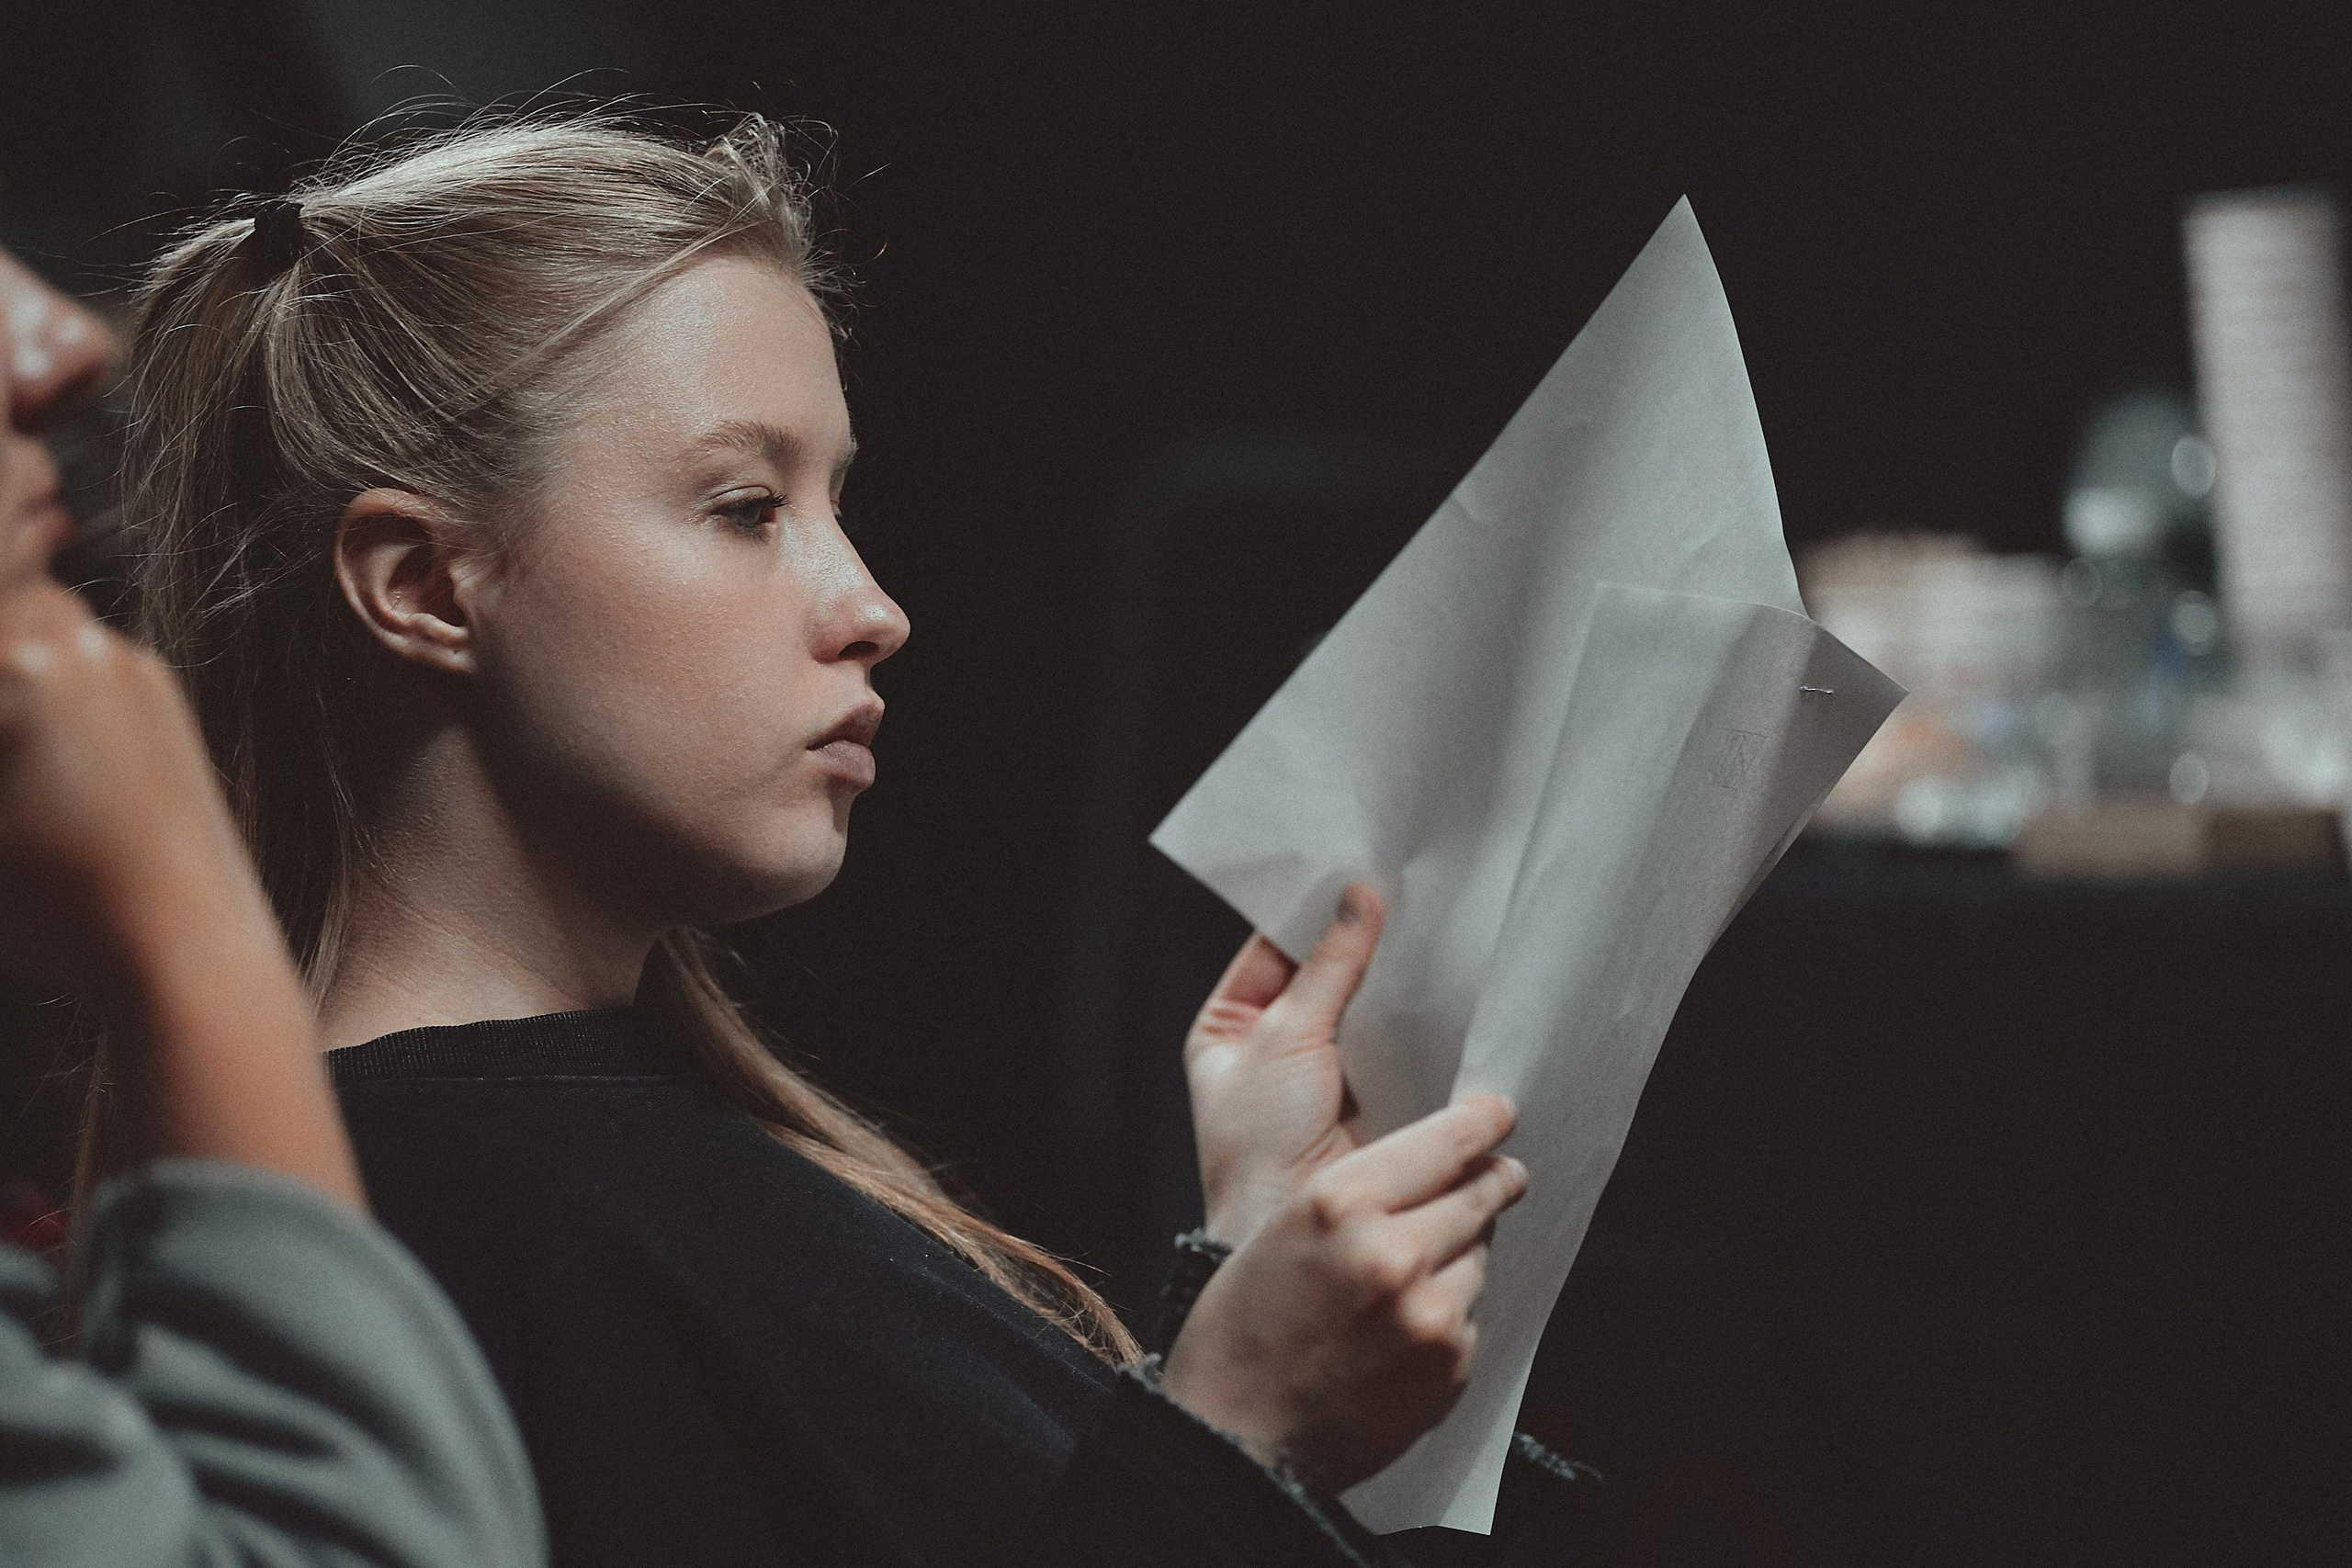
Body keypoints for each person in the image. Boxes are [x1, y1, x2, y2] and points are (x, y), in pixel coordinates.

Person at [112, 112, 1534, 1567]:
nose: (871, 606)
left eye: (833, 501)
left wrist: (1245, 1292)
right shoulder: (429, 1237)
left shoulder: (635, 1169)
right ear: (421, 584)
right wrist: (1239, 1430)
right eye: (744, 508)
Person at [0, 249, 546, 1562]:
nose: (64, 335)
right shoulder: (499, 1190)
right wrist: (178, 913)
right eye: (745, 507)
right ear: (417, 586)